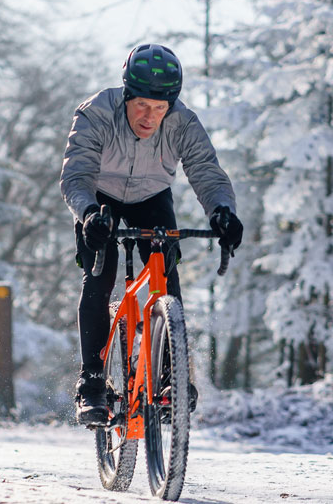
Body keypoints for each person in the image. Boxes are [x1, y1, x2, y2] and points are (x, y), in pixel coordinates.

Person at [60, 43, 243, 426]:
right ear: (126, 94)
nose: (150, 116)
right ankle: (92, 381)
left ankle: (171, 374)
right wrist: (89, 214)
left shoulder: (183, 123)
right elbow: (76, 176)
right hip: (100, 200)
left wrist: (223, 212)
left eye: (160, 108)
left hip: (151, 197)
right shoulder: (95, 112)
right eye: (142, 105)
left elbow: (206, 172)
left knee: (166, 271)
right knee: (98, 275)